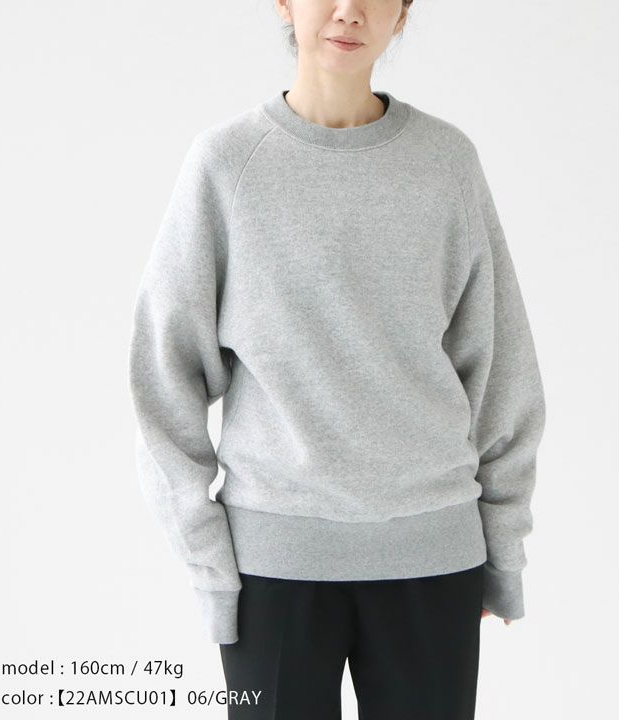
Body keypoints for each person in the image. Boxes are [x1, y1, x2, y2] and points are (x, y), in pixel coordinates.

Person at [128, 1, 546, 717]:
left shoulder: (445, 162)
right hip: (272, 567)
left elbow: (500, 364)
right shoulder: (227, 164)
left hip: (433, 554)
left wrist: (503, 549)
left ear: (402, 15)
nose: (349, 10)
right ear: (285, 4)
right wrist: (208, 560)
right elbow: (164, 378)